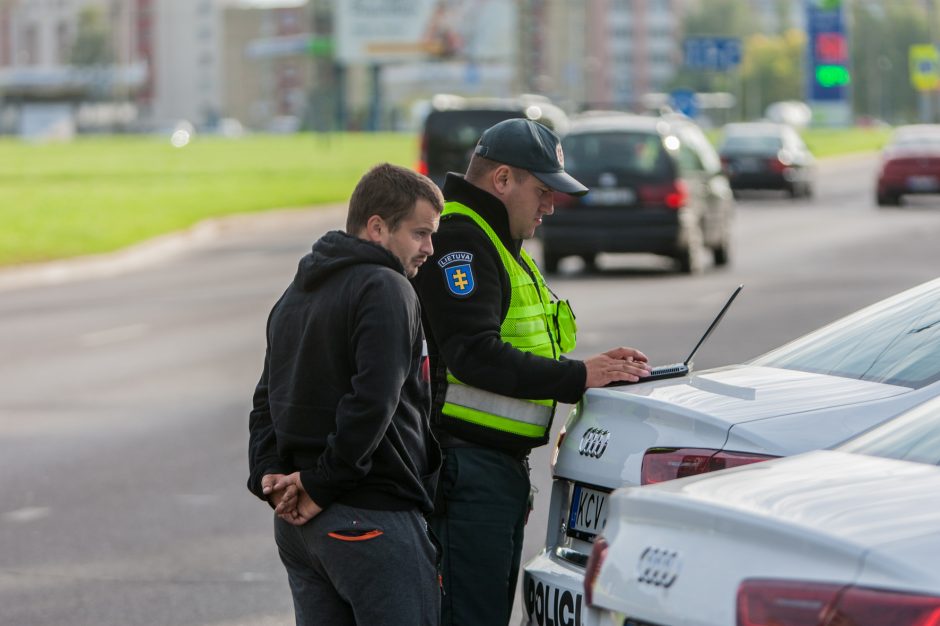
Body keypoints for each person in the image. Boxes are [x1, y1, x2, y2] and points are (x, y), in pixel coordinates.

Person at [413, 118, 651, 626]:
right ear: (502, 180)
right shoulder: (462, 240)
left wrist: (593, 370)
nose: (551, 205)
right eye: (543, 191)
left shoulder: (497, 241)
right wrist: (578, 376)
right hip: (465, 470)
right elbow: (473, 354)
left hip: (491, 469)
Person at [247, 163, 445, 626]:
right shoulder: (387, 287)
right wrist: (320, 484)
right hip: (370, 516)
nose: (429, 250)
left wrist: (269, 477)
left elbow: (265, 401)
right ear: (377, 227)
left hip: (301, 527)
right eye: (420, 234)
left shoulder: (296, 292)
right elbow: (373, 401)